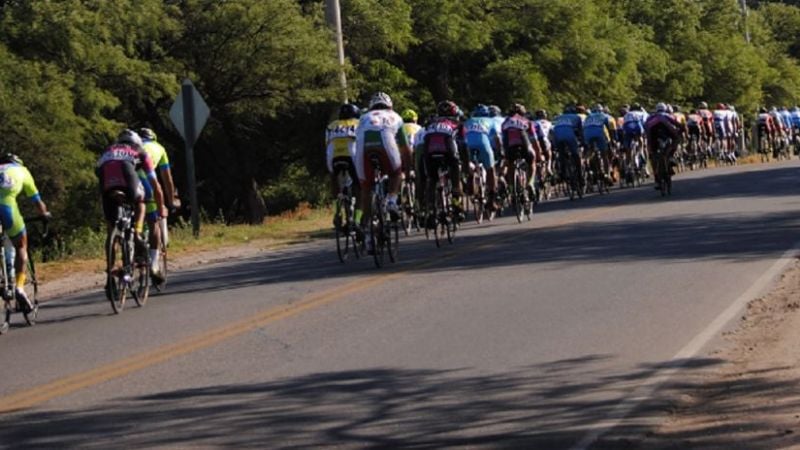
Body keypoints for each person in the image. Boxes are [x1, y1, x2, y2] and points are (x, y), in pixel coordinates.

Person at [97, 129, 167, 291]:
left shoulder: (108, 151)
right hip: (128, 180)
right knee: (141, 202)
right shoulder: (140, 151)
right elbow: (155, 184)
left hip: (107, 185)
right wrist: (160, 206)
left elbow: (98, 172)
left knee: (112, 229)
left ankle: (110, 275)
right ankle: (137, 232)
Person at [354, 92, 412, 248]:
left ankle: (367, 234)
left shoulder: (363, 117)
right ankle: (392, 201)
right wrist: (409, 169)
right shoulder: (396, 117)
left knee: (366, 189)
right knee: (395, 173)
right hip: (386, 143)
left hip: (363, 150)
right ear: (390, 106)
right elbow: (405, 149)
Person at [0, 154, 49, 312]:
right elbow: (37, 201)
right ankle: (19, 288)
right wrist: (44, 215)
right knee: (21, 246)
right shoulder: (22, 170)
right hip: (7, 208)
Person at [138, 128, 177, 283]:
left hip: (126, 179)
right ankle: (154, 264)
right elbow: (166, 178)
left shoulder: (132, 146)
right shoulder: (159, 148)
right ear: (153, 138)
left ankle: (132, 246)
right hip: (145, 181)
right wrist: (171, 200)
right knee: (153, 222)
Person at [420, 100, 465, 224]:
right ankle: (457, 206)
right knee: (456, 180)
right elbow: (463, 144)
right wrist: (465, 165)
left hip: (429, 150)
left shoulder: (430, 123)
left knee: (432, 180)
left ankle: (430, 212)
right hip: (448, 148)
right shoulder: (457, 123)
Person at [501, 104, 539, 211]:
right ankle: (530, 183)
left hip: (510, 147)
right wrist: (538, 154)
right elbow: (534, 140)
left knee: (510, 164)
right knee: (532, 161)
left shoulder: (505, 122)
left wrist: (504, 155)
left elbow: (504, 139)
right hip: (525, 145)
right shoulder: (527, 121)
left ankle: (512, 189)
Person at [464, 104, 501, 210]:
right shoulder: (491, 121)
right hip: (483, 144)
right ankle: (492, 199)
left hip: (468, 146)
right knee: (490, 170)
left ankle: (470, 177)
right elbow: (497, 138)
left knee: (468, 164)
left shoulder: (468, 121)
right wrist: (500, 151)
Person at [325, 102, 361, 210]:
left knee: (333, 178)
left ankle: (337, 208)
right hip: (352, 155)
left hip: (333, 156)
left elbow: (327, 143)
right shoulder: (359, 123)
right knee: (360, 187)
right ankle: (357, 219)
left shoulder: (331, 125)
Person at [645, 103, 682, 189]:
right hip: (667, 132)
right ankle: (671, 156)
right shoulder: (667, 115)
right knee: (676, 140)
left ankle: (657, 177)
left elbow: (646, 128)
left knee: (653, 156)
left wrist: (648, 140)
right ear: (665, 109)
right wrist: (681, 130)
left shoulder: (650, 117)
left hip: (653, 135)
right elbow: (677, 125)